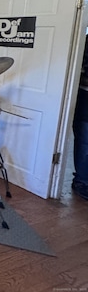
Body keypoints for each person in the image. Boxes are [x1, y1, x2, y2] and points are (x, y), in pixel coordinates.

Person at [72, 35, 88, 200]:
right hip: (85, 99)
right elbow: (78, 70)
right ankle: (81, 181)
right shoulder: (84, 42)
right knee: (84, 143)